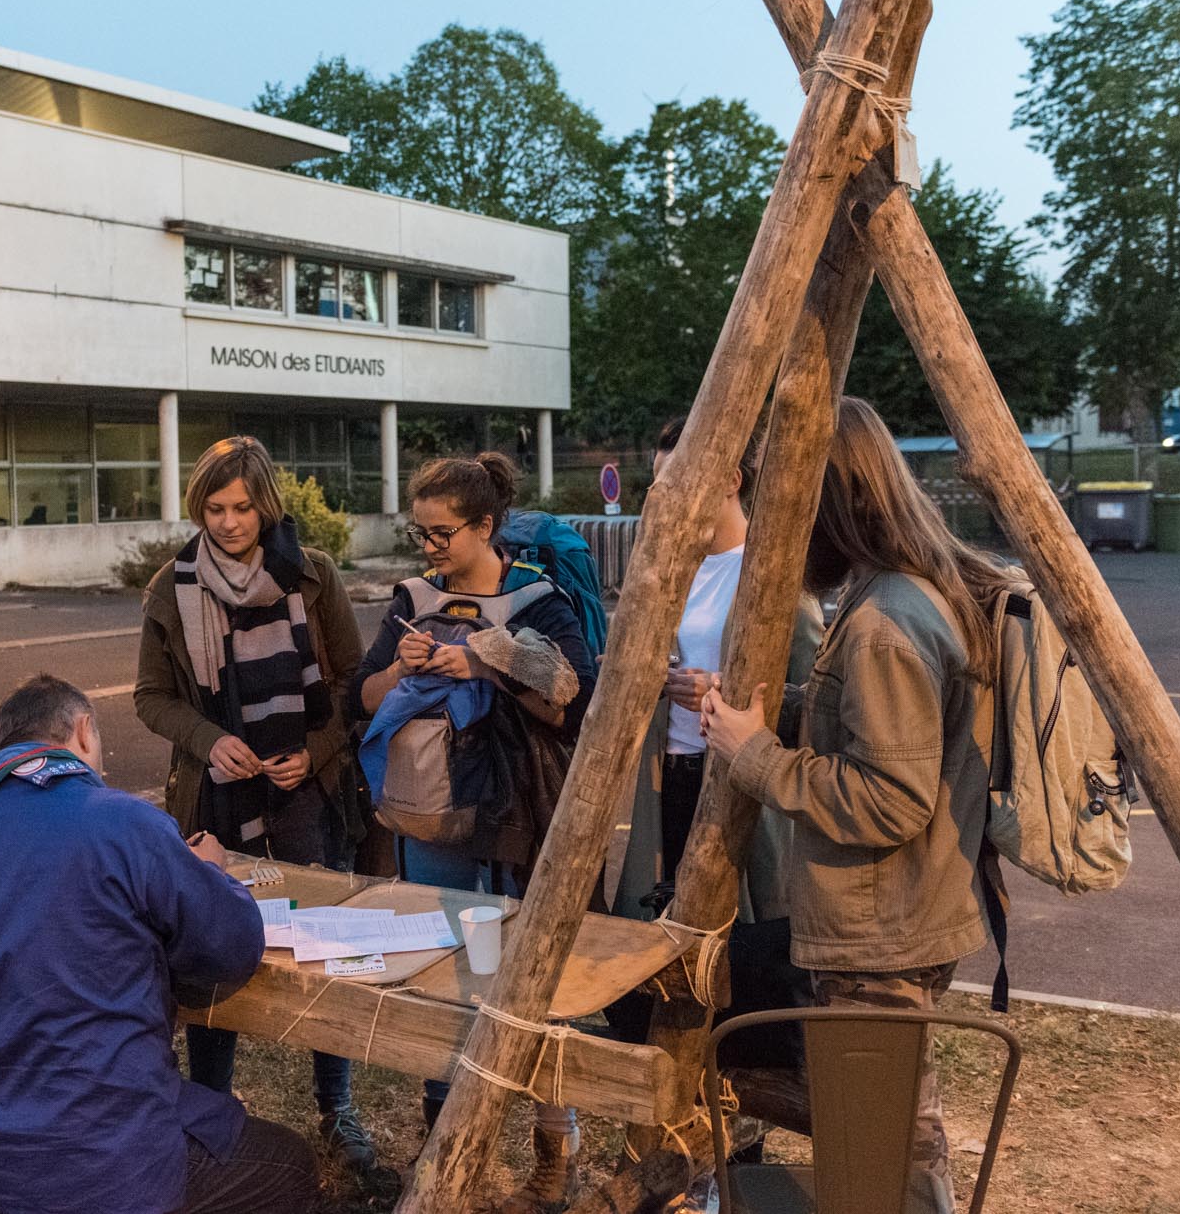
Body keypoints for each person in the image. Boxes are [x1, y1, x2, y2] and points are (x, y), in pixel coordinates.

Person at [701, 397, 1009, 1214]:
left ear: (828, 499)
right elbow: (883, 734)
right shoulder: (907, 590)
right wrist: (791, 711)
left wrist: (755, 756)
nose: (776, 525)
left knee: (884, 1152)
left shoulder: (883, 621)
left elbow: (891, 797)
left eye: (786, 502)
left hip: (879, 930)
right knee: (899, 1133)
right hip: (895, 916)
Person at [0, 674, 318, 1214]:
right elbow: (232, 946)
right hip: (104, 1162)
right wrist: (212, 874)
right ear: (82, 732)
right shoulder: (126, 822)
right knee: (291, 1167)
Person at [132, 434, 389, 1193]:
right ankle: (210, 1107)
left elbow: (355, 682)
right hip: (218, 796)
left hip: (308, 794)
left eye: (243, 506)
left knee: (321, 947)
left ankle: (337, 1109)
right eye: (215, 507)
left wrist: (315, 749)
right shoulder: (169, 589)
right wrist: (211, 741)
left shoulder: (313, 575)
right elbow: (152, 698)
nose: (230, 522)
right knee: (209, 947)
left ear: (266, 503)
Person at [351, 452, 597, 1214]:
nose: (429, 548)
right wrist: (402, 666)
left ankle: (555, 1152)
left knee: (535, 983)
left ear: (486, 526)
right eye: (419, 533)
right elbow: (362, 696)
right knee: (446, 980)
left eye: (442, 534)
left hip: (520, 821)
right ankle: (448, 1150)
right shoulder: (411, 600)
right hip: (432, 823)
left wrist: (487, 661)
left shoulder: (539, 602)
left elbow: (572, 705)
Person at [605, 419, 820, 1049]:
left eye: (678, 478)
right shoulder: (670, 567)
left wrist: (721, 689)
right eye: (657, 480)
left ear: (731, 479)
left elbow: (810, 696)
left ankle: (739, 1082)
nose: (663, 493)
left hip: (736, 777)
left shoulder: (772, 570)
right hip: (668, 772)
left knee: (739, 937)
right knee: (664, 931)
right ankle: (682, 1073)